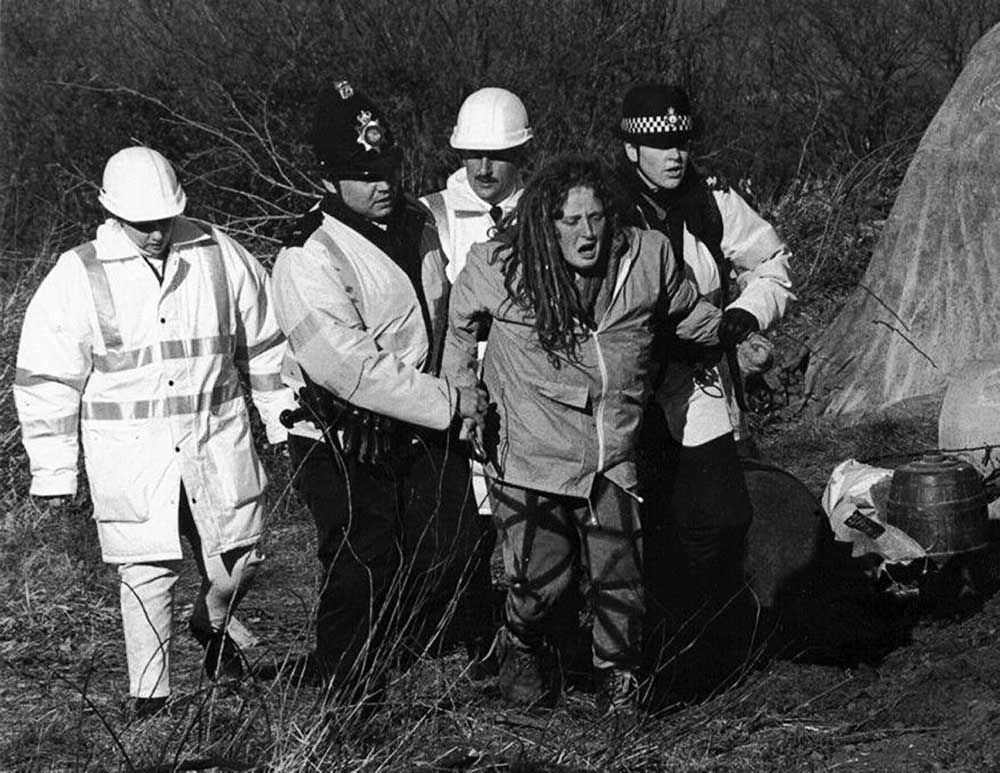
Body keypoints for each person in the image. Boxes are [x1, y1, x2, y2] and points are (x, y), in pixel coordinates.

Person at [13, 146, 293, 719]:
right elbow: (46, 378)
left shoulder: (217, 253)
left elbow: (266, 341)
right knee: (147, 572)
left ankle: (211, 622)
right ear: (114, 213)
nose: (156, 234)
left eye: (164, 220)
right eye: (142, 224)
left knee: (239, 560)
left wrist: (282, 417)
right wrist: (54, 471)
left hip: (216, 442)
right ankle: (151, 699)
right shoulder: (79, 273)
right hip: (133, 458)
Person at [443, 155, 721, 714]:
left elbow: (688, 312)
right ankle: (521, 641)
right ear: (545, 225)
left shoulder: (646, 257)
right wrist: (463, 391)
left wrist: (740, 331)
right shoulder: (502, 266)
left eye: (595, 218)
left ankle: (620, 686)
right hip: (529, 451)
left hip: (610, 449)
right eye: (570, 221)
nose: (587, 234)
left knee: (621, 578)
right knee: (540, 585)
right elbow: (459, 326)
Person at [269, 81, 488, 706]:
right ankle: (349, 689)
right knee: (361, 560)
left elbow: (443, 317)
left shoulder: (418, 224)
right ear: (328, 178)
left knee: (454, 547)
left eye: (387, 168)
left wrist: (458, 385)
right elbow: (348, 367)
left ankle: (406, 644)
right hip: (342, 432)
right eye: (362, 175)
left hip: (421, 421)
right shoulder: (307, 254)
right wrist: (449, 403)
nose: (381, 184)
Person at [616, 83, 795, 701]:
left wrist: (747, 313)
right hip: (629, 387)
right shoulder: (604, 206)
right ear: (631, 148)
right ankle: (656, 657)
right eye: (660, 144)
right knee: (647, 522)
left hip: (698, 380)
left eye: (682, 142)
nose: (675, 155)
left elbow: (772, 263)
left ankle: (714, 640)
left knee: (721, 514)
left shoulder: (711, 200)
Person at [418, 86, 534, 670]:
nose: (484, 169)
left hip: (529, 384)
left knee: (528, 519)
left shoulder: (544, 209)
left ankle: (530, 632)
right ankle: (476, 635)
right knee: (466, 526)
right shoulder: (431, 216)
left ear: (522, 153)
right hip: (459, 383)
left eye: (498, 155)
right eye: (473, 155)